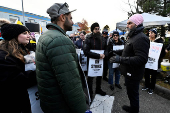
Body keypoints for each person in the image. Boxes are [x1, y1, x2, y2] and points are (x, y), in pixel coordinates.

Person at [35, 3, 88, 113]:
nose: (73, 22)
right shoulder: (59, 40)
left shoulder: (46, 35)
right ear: (62, 17)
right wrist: (81, 109)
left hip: (51, 102)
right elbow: (70, 84)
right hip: (61, 105)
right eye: (71, 18)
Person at [109, 14, 150, 113]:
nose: (127, 26)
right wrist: (118, 52)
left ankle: (134, 110)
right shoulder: (133, 36)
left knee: (133, 94)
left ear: (137, 24)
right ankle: (132, 107)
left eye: (130, 23)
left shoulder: (141, 38)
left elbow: (141, 59)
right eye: (127, 23)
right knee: (130, 93)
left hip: (134, 73)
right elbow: (129, 50)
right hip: (129, 72)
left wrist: (120, 59)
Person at [0, 19, 32, 113]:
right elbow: (18, 80)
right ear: (14, 36)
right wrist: (39, 72)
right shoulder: (3, 56)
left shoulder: (20, 51)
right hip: (11, 105)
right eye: (24, 33)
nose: (28, 36)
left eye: (28, 33)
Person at [83, 22, 107, 100]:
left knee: (99, 76)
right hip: (91, 61)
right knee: (90, 77)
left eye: (98, 28)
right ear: (92, 30)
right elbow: (86, 51)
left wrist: (104, 54)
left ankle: (98, 89)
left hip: (100, 61)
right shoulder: (88, 38)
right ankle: (90, 92)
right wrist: (98, 56)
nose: (98, 30)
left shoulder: (102, 38)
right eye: (96, 29)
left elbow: (106, 48)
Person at [142, 28, 166, 94]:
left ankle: (151, 88)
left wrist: (158, 57)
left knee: (153, 75)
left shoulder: (160, 42)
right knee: (146, 73)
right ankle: (146, 85)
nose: (150, 34)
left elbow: (163, 53)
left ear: (155, 34)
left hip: (155, 62)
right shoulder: (147, 41)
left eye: (152, 33)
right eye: (149, 33)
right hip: (147, 60)